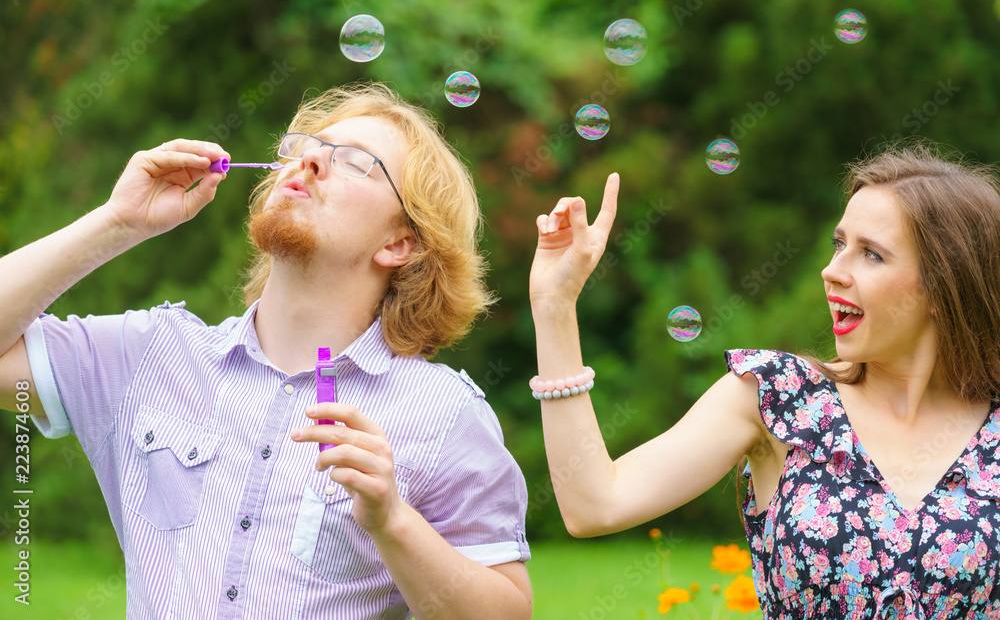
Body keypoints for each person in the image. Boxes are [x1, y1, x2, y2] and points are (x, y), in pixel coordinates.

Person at [0, 82, 532, 619]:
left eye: (355, 162)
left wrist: (394, 520)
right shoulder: (149, 356)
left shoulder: (443, 415)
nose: (310, 162)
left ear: (399, 243)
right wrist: (117, 223)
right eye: (304, 147)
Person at [528, 142, 1000, 618]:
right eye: (840, 245)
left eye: (871, 255)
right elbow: (593, 505)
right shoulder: (779, 397)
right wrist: (554, 306)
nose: (831, 271)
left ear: (944, 285)